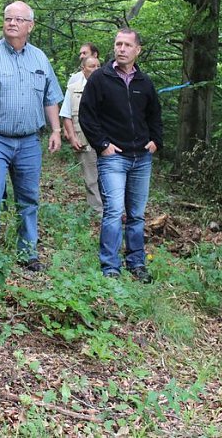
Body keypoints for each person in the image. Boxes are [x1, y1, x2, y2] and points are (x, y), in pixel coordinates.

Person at [0, 1, 63, 270]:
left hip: (29, 140)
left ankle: (28, 252)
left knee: (28, 197)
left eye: (18, 19)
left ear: (30, 25)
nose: (12, 23)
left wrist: (56, 130)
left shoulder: (40, 58)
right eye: (8, 19)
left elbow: (50, 97)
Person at [78, 28, 162, 282]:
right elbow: (87, 116)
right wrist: (103, 145)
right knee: (114, 211)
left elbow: (154, 116)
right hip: (113, 156)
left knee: (136, 213)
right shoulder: (100, 78)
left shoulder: (144, 82)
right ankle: (110, 267)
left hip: (141, 158)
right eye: (118, 44)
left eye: (127, 45)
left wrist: (156, 141)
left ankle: (137, 264)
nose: (121, 49)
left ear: (138, 50)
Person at [60, 54, 102, 210]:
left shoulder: (108, 86)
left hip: (107, 140)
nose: (96, 69)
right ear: (83, 69)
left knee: (109, 176)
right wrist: (72, 137)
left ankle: (115, 210)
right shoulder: (73, 89)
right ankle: (98, 210)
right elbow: (66, 115)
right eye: (92, 66)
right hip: (83, 139)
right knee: (91, 177)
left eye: (98, 66)